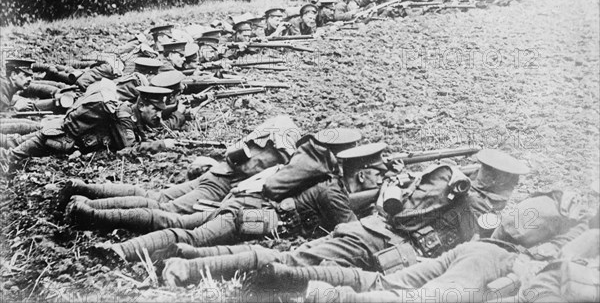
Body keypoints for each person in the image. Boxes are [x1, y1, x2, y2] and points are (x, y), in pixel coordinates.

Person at [158, 149, 528, 286]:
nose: (511, 193)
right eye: (511, 185)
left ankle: (190, 259)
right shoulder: (478, 204)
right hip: (389, 249)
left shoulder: (448, 180)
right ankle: (189, 266)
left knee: (292, 259)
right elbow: (481, 239)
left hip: (370, 231)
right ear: (500, 182)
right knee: (293, 262)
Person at [100, 128, 376, 262]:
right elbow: (354, 231)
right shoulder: (329, 184)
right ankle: (118, 250)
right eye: (375, 171)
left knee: (176, 221)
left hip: (248, 206)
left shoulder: (319, 171)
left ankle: (95, 215)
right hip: (251, 214)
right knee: (193, 235)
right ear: (359, 173)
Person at [288, 191, 591, 303]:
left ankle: (291, 279)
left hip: (481, 248)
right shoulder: (565, 229)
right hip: (494, 257)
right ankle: (327, 296)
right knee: (422, 299)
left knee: (388, 284)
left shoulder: (471, 196)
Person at [62, 116, 301, 232]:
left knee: (155, 197)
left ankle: (83, 190)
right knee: (166, 212)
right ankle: (90, 213)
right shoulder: (285, 152)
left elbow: (235, 153)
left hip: (215, 172)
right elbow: (254, 175)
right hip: (222, 184)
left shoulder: (279, 126)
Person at [0, 86, 171, 172]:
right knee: (11, 156)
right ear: (141, 105)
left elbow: (140, 137)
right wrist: (161, 145)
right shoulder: (124, 116)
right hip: (56, 138)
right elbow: (129, 148)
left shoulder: (133, 115)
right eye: (156, 109)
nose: (159, 115)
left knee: (13, 142)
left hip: (60, 135)